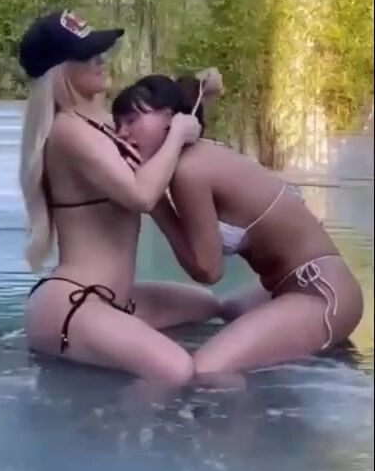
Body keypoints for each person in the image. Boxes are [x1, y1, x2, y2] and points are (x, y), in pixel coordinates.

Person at [18, 9, 222, 386]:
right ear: (60, 71)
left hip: (117, 299)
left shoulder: (103, 124)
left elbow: (152, 122)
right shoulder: (67, 131)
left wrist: (198, 89)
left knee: (208, 305)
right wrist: (178, 134)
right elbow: (141, 195)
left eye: (99, 50)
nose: (101, 59)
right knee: (176, 370)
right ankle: (116, 425)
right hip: (75, 302)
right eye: (87, 55)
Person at [112, 73, 364, 378]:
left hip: (322, 295)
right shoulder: (196, 155)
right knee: (224, 310)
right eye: (118, 124)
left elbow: (208, 271)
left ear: (170, 118)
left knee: (203, 371)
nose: (122, 133)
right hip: (284, 289)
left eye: (132, 120)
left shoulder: (189, 170)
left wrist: (156, 205)